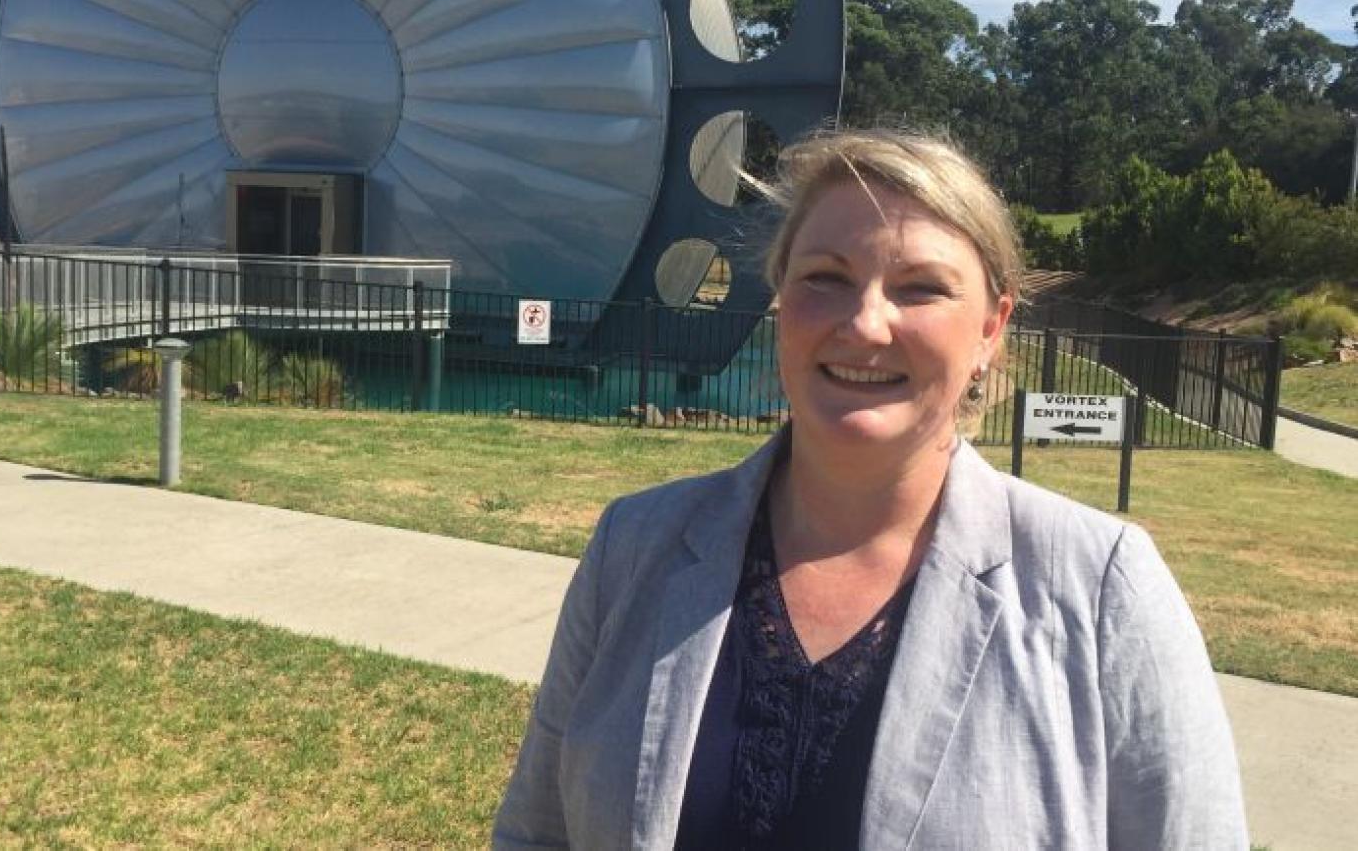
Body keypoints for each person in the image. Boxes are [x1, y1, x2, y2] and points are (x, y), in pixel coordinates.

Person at [492, 128, 1247, 849]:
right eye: (826, 279)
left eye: (921, 289)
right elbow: (538, 833)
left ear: (991, 328)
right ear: (780, 298)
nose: (866, 323)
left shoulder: (1102, 587)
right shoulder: (634, 548)